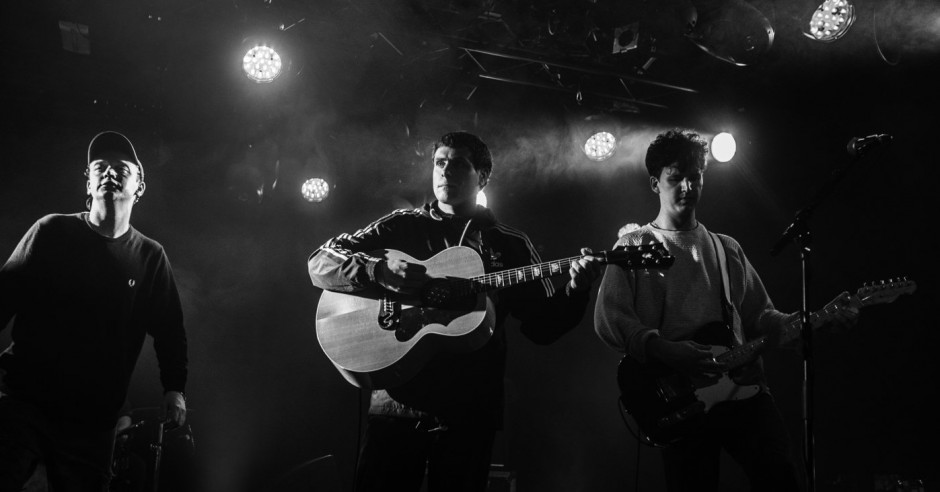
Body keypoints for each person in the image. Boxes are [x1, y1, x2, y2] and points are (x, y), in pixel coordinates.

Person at [308, 131, 602, 491]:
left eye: (458, 163)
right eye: (440, 162)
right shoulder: (402, 225)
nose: (446, 171)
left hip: (470, 411)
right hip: (396, 403)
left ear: (483, 176)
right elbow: (321, 261)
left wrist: (576, 290)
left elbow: (542, 327)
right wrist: (377, 271)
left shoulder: (509, 244)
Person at [594, 129, 858, 492]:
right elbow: (610, 319)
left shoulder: (725, 248)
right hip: (680, 397)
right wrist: (664, 348)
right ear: (655, 183)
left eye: (695, 177)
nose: (687, 187)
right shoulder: (634, 244)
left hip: (745, 390)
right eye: (676, 179)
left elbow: (762, 316)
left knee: (782, 478)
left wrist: (812, 323)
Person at [0, 131, 189, 491]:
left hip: (93, 421)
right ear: (88, 180)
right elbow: (3, 296)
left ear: (140, 185)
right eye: (99, 166)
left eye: (121, 167)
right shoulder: (51, 230)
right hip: (25, 402)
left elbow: (169, 329)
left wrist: (174, 387)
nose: (108, 172)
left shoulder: (150, 257)